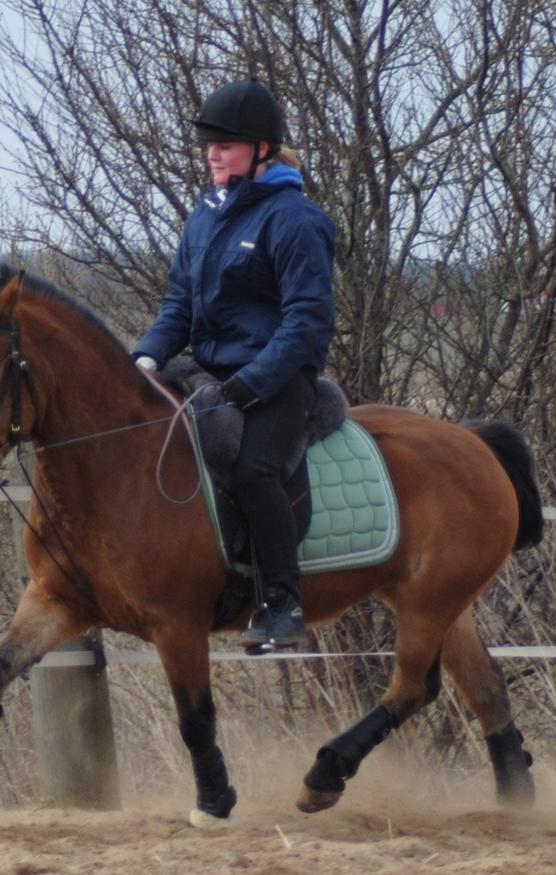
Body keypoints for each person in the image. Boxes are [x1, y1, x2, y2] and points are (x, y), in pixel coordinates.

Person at [132, 78, 337, 651]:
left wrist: (256, 380)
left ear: (263, 149)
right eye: (208, 145)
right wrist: (146, 355)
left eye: (226, 144)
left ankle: (282, 603)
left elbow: (306, 321)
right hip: (210, 370)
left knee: (254, 470)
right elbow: (179, 303)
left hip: (278, 377)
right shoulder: (204, 217)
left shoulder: (296, 220)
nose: (212, 154)